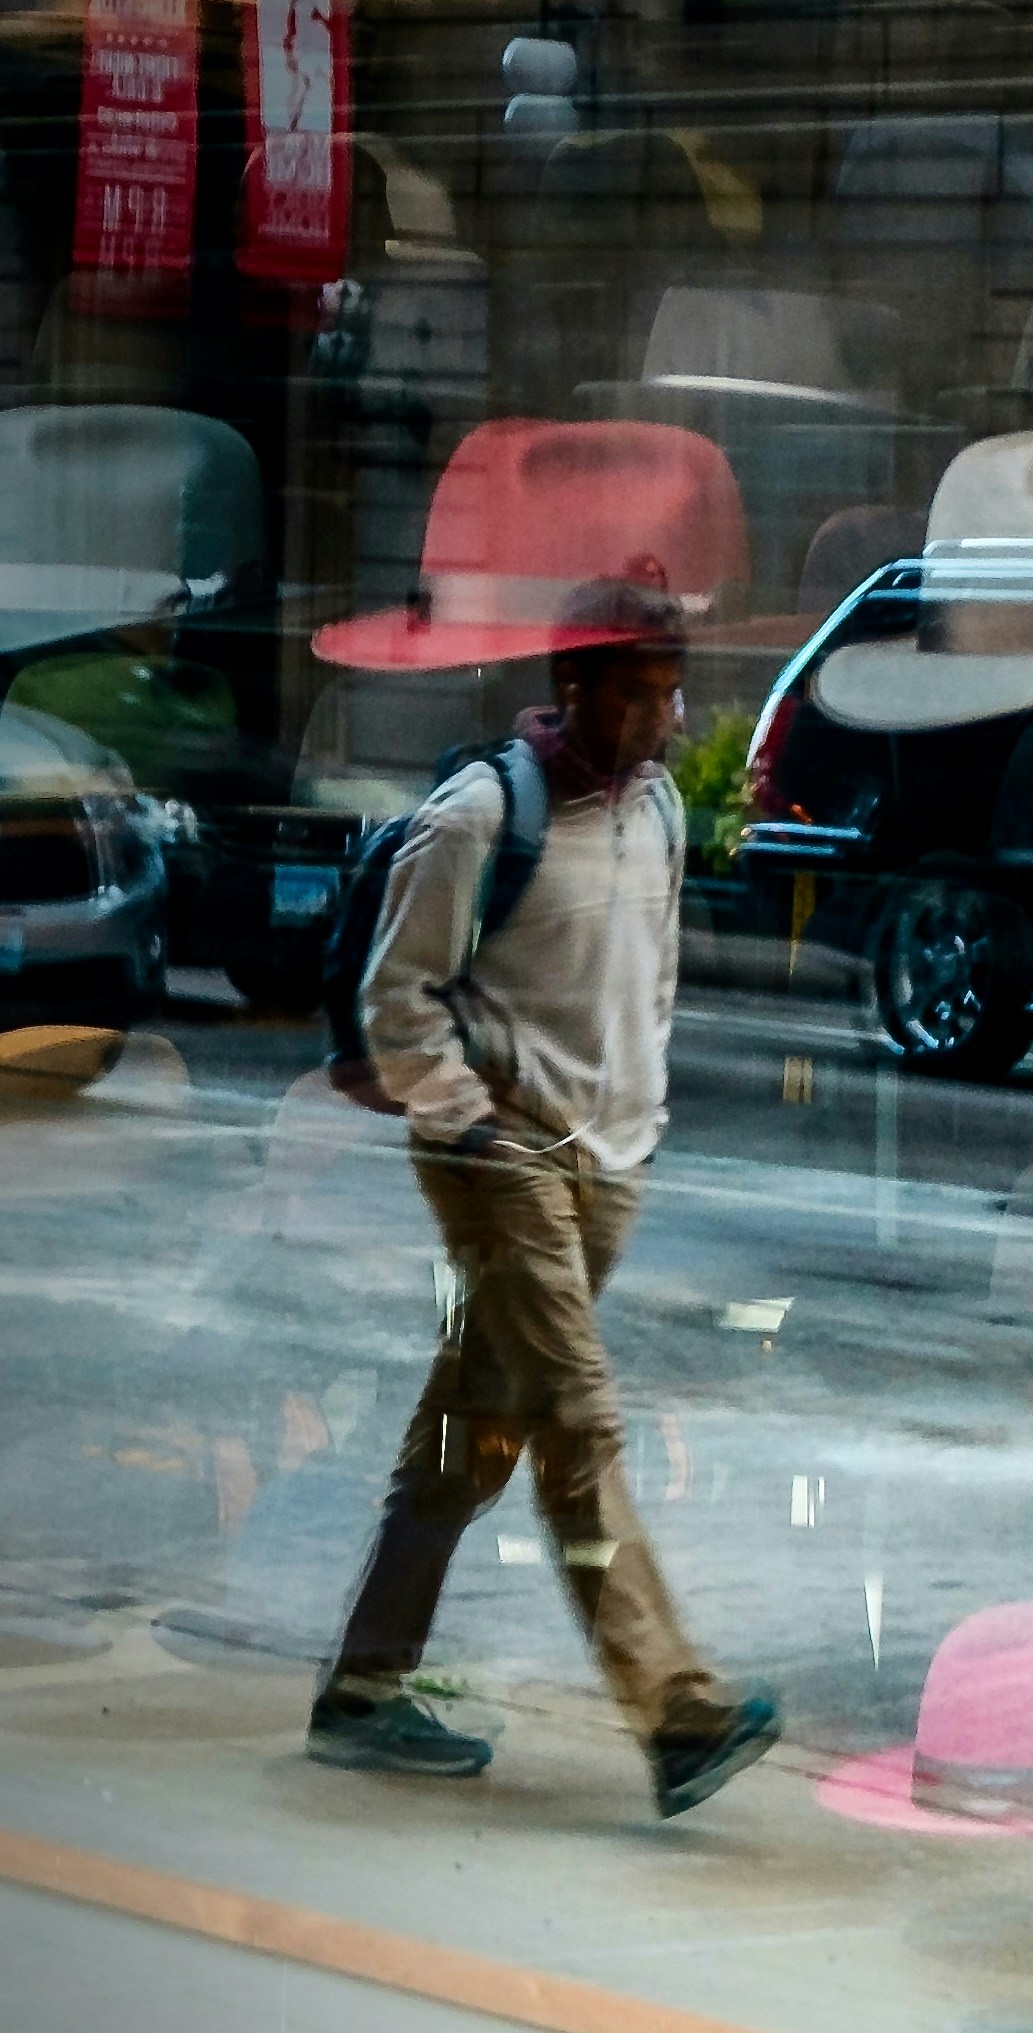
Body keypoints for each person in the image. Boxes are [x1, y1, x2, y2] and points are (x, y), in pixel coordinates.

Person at [306, 576, 781, 1818]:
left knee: (472, 1436)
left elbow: (653, 982)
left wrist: (641, 1122)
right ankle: (675, 1713)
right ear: (573, 688)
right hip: (504, 1151)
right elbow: (397, 1000)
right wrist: (470, 1125)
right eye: (640, 693)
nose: (665, 719)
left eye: (674, 693)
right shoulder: (479, 815)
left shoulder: (663, 810)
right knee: (580, 1420)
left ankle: (359, 1694)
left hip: (608, 1161)